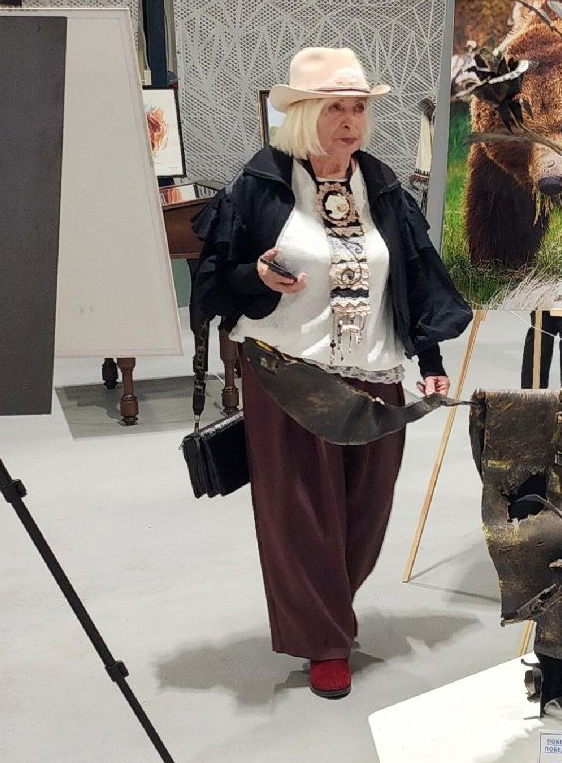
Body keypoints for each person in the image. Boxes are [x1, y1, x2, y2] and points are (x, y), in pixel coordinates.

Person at [190, 47, 471, 699]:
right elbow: (214, 281)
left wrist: (429, 362)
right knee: (301, 514)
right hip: (287, 373)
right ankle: (325, 641)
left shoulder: (381, 185)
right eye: (334, 108)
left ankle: (327, 610)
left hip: (374, 369)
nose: (349, 122)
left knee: (366, 509)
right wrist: (256, 277)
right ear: (303, 115)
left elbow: (413, 276)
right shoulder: (261, 186)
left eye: (358, 108)